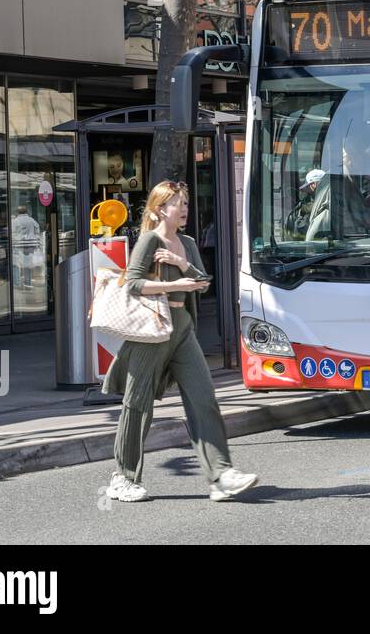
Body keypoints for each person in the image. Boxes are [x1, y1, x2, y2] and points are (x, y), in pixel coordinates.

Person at [101, 180, 258, 503]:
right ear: (160, 209)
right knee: (137, 404)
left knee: (203, 397)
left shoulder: (185, 242)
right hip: (152, 329)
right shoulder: (149, 240)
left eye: (186, 203)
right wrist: (171, 286)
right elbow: (132, 284)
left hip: (182, 328)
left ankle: (221, 475)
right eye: (178, 204)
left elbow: (202, 282)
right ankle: (123, 477)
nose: (184, 209)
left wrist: (181, 265)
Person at [11, 205, 41, 289]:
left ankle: (17, 283)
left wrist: (16, 240)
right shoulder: (32, 220)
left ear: (18, 212)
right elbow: (37, 230)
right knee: (27, 264)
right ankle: (27, 282)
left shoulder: (15, 221)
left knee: (16, 264)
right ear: (26, 211)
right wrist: (34, 239)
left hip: (19, 245)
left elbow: (12, 234)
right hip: (30, 245)